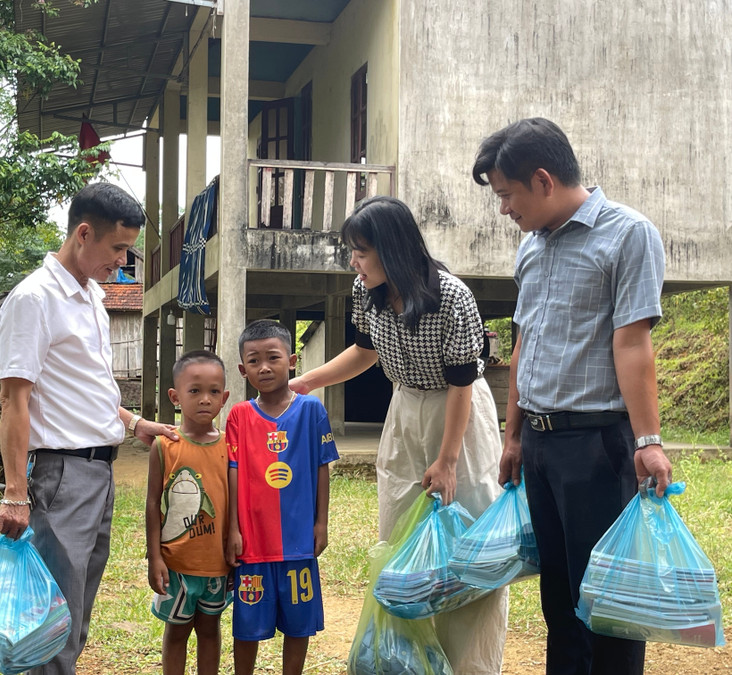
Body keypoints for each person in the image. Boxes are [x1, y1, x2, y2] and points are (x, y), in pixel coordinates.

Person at [472, 117, 673, 675]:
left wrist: (648, 441)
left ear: (542, 180)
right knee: (559, 601)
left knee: (606, 603)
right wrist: (513, 437)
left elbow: (632, 343)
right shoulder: (531, 249)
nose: (505, 209)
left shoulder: (628, 234)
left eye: (507, 195)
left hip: (597, 447)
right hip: (539, 447)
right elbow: (523, 342)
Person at [288, 195, 507, 675]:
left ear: (392, 249)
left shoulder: (452, 297)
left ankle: (470, 665)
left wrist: (448, 461)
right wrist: (308, 381)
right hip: (405, 409)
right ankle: (410, 661)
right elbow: (365, 351)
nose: (354, 262)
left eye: (361, 252)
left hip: (460, 419)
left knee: (468, 547)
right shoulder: (368, 293)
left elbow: (461, 384)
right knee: (401, 537)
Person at [0, 182, 177, 675]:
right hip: (62, 476)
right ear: (82, 233)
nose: (122, 262)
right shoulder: (34, 298)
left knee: (75, 611)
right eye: (117, 248)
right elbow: (15, 399)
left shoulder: (91, 295)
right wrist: (15, 491)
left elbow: (84, 389)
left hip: (98, 474)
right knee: (54, 614)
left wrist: (134, 423)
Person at [225, 319, 339, 675]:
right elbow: (232, 473)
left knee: (298, 621)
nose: (264, 367)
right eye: (254, 361)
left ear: (291, 361)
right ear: (243, 369)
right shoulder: (239, 416)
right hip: (252, 541)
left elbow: (323, 467)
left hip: (297, 539)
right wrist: (232, 528)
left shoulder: (311, 410)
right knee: (247, 623)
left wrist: (321, 522)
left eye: (272, 358)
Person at [146, 350, 232, 675]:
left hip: (218, 564)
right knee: (177, 631)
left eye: (213, 392)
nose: (204, 399)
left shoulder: (230, 446)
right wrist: (155, 557)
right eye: (194, 391)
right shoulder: (164, 446)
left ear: (224, 397)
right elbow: (153, 504)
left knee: (210, 630)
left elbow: (235, 501)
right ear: (175, 396)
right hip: (177, 564)